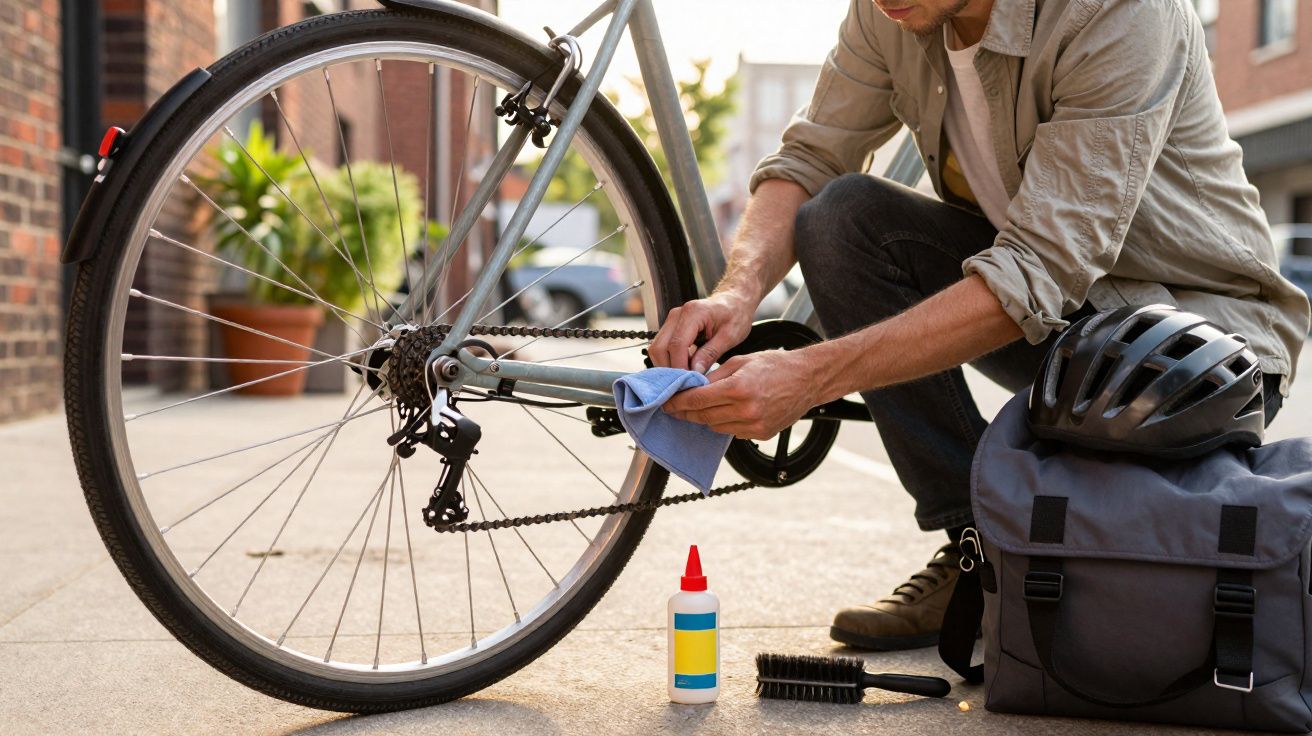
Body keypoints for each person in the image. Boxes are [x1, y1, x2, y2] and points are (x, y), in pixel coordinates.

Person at [650, 0, 1311, 652]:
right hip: (1055, 320)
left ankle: (1048, 564)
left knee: (1110, 596)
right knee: (842, 217)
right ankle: (977, 552)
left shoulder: (1119, 13)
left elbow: (1041, 264)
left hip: (1196, 343)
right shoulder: (889, 14)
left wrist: (810, 377)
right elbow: (808, 160)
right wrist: (736, 296)